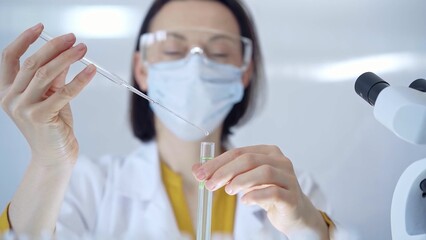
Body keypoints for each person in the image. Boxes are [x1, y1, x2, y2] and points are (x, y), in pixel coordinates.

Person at [0, 0, 340, 239]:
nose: (195, 67)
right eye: (174, 51)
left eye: (219, 52)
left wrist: (305, 226)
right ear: (141, 70)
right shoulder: (87, 189)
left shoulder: (291, 191)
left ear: (244, 72)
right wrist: (48, 162)